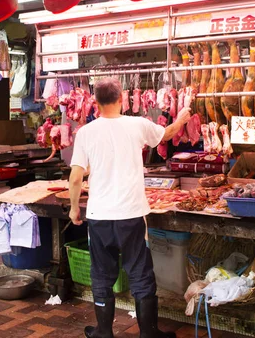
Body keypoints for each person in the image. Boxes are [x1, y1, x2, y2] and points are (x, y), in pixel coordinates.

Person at [68, 77, 191, 338]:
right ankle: (148, 332)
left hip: (99, 217)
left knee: (101, 274)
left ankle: (103, 331)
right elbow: (166, 135)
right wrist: (180, 120)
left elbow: (76, 177)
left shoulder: (86, 133)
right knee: (140, 272)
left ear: (96, 103)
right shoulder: (137, 125)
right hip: (131, 215)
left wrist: (73, 209)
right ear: (122, 99)